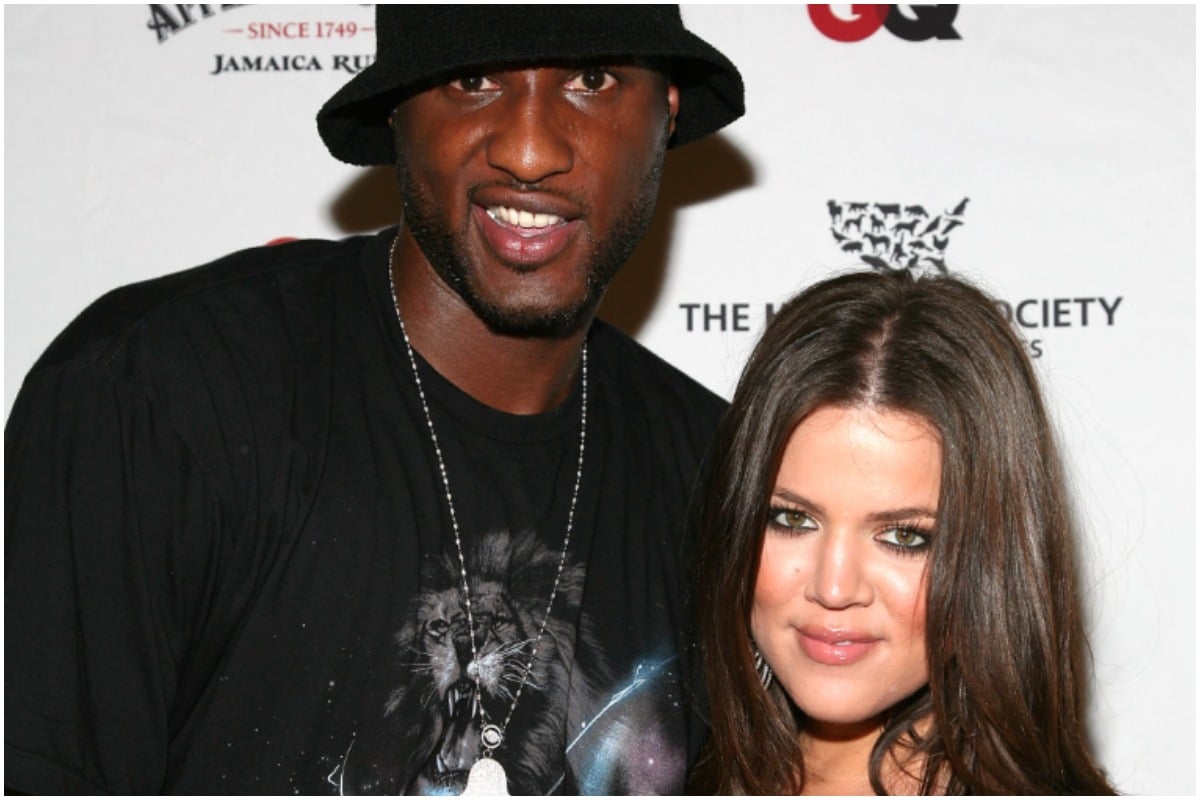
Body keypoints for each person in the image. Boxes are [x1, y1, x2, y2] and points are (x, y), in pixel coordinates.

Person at [4, 6, 743, 795]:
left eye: (593, 80)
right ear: (398, 110)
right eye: (473, 78)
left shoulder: (719, 476)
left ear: (665, 108)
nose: (529, 150)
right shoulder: (159, 393)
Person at [689, 269, 1118, 795]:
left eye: (904, 537)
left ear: (991, 562)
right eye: (793, 519)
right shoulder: (669, 771)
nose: (834, 588)